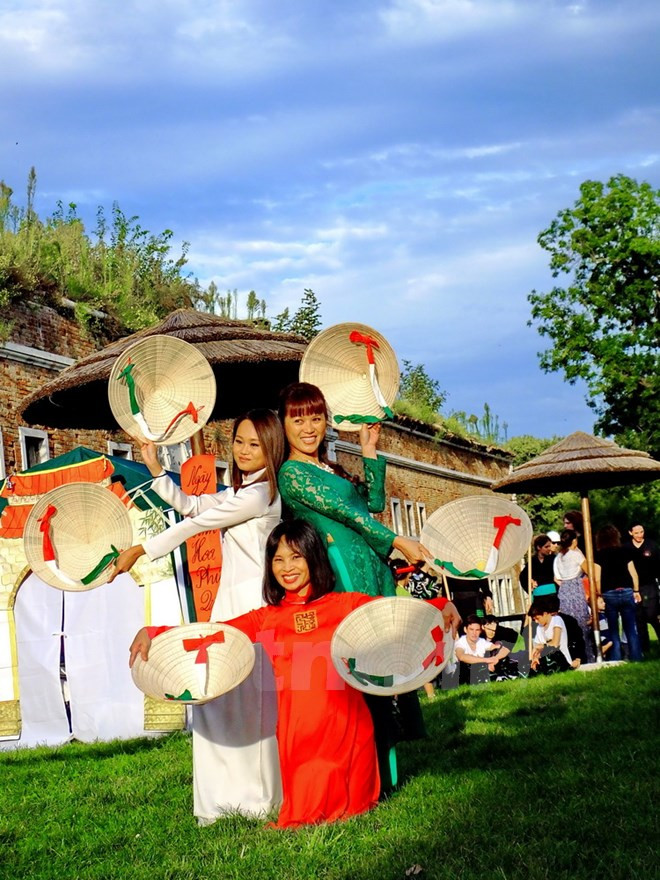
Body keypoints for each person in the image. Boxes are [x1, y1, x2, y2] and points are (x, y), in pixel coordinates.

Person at [129, 520, 460, 829]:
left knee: (353, 807)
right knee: (305, 809)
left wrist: (442, 604)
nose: (286, 568)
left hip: (347, 722)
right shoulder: (266, 618)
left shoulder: (345, 605)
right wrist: (154, 632)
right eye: (278, 559)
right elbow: (213, 633)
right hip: (297, 729)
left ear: (313, 558)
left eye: (296, 557)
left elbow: (395, 614)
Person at [111, 409, 285, 823]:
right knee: (216, 698)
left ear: (272, 448)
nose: (243, 451)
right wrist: (155, 467)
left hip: (254, 606)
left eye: (255, 444)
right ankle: (219, 802)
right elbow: (193, 506)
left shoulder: (261, 495)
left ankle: (258, 800)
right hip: (227, 604)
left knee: (249, 702)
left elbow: (198, 524)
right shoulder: (242, 491)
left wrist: (142, 549)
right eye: (239, 442)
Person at [277, 382, 432, 790]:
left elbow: (373, 503)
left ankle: (385, 776)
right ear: (283, 424)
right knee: (361, 667)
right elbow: (349, 515)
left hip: (370, 568)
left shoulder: (331, 468)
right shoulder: (292, 474)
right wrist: (397, 540)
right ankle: (365, 779)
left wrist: (368, 450)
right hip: (341, 572)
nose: (309, 428)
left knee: (383, 662)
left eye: (316, 418)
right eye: (298, 420)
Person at [594, 525, 642, 662]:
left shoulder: (599, 555)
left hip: (609, 593)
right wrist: (636, 590)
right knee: (630, 628)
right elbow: (634, 574)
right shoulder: (625, 551)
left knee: (613, 629)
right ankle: (636, 657)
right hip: (626, 591)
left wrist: (599, 594)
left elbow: (597, 578)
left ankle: (616, 658)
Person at [553, 528, 594, 662]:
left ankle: (571, 656)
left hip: (564, 589)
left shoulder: (558, 557)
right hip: (576, 586)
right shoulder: (576, 555)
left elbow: (557, 578)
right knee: (581, 623)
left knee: (568, 624)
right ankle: (586, 656)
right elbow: (589, 570)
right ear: (574, 541)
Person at [626, 523, 660, 653]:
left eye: (641, 532)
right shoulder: (626, 548)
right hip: (634, 587)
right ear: (630, 533)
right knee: (639, 618)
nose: (640, 535)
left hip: (650, 586)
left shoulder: (652, 546)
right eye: (636, 533)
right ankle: (645, 649)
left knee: (652, 615)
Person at [454, 615, 510, 685]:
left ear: (480, 631)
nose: (474, 633)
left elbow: (504, 648)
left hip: (478, 672)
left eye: (477, 630)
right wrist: (487, 660)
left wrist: (495, 659)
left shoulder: (481, 641)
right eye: (471, 629)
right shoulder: (460, 642)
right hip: (461, 674)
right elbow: (461, 656)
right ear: (465, 630)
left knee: (498, 654)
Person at [530, 601, 580, 674]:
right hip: (547, 660)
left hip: (561, 659)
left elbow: (555, 644)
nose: (536, 621)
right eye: (534, 619)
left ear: (545, 614)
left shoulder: (556, 620)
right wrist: (535, 658)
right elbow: (538, 648)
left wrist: (542, 646)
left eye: (537, 618)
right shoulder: (539, 628)